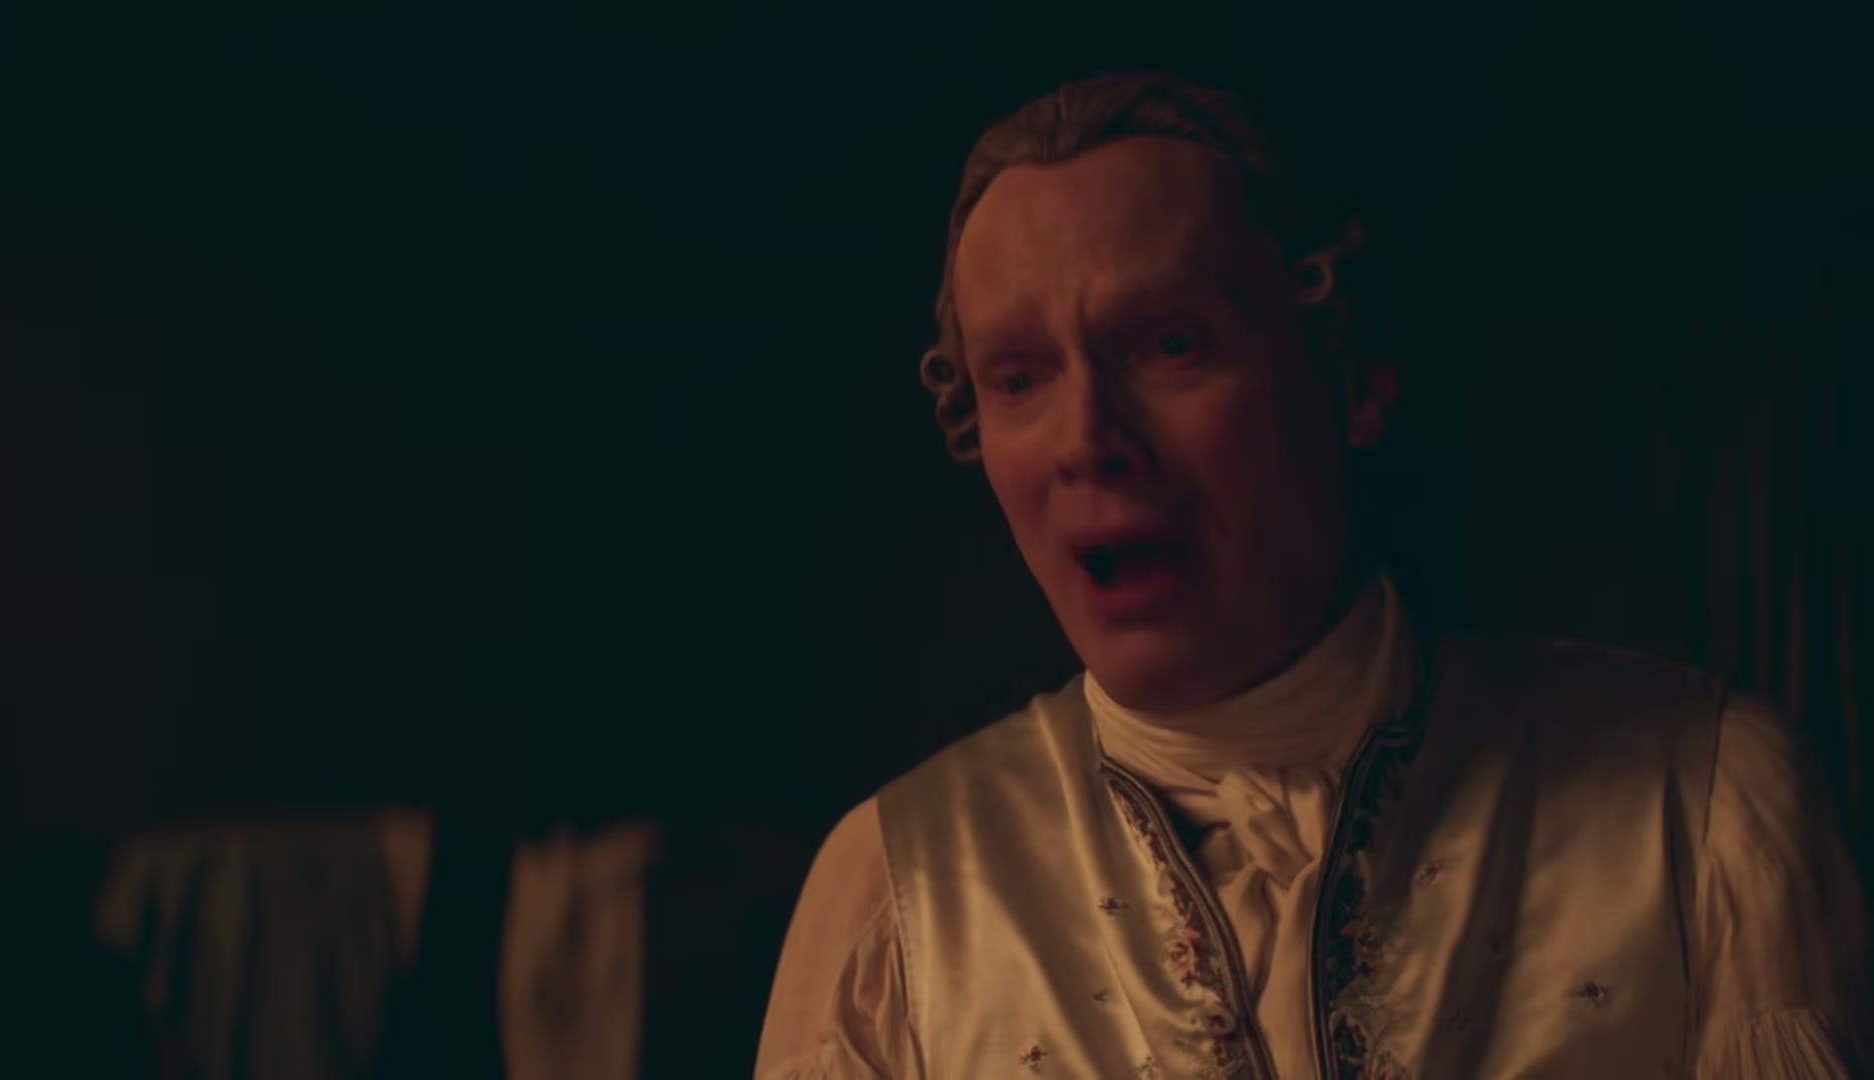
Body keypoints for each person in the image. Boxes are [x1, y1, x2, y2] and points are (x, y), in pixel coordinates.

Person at [755, 71, 1869, 1078]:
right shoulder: (893, 905)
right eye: (1019, 379)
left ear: (1353, 379)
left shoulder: (1702, 812)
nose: (1087, 439)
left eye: (1171, 345)